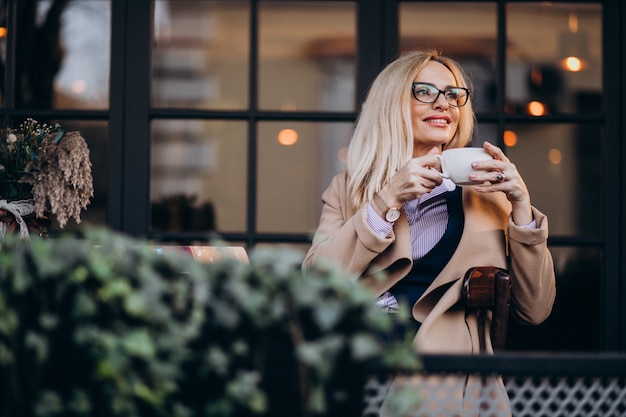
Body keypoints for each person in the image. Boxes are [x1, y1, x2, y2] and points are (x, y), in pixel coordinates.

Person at [302, 50, 556, 416]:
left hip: (445, 367)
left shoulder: (489, 195)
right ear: (392, 104)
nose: (444, 103)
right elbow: (314, 285)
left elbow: (535, 310)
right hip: (359, 361)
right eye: (425, 91)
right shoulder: (350, 189)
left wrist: (521, 207)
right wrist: (385, 200)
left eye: (453, 95)